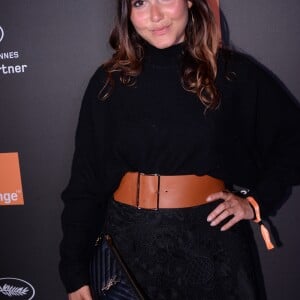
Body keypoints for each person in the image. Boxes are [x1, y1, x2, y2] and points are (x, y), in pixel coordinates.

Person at [59, 0, 300, 299]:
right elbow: (85, 183)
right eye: (140, 3)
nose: (155, 15)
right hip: (128, 249)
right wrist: (75, 271)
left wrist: (255, 201)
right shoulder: (108, 83)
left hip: (210, 245)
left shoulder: (231, 73)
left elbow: (293, 140)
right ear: (127, 12)